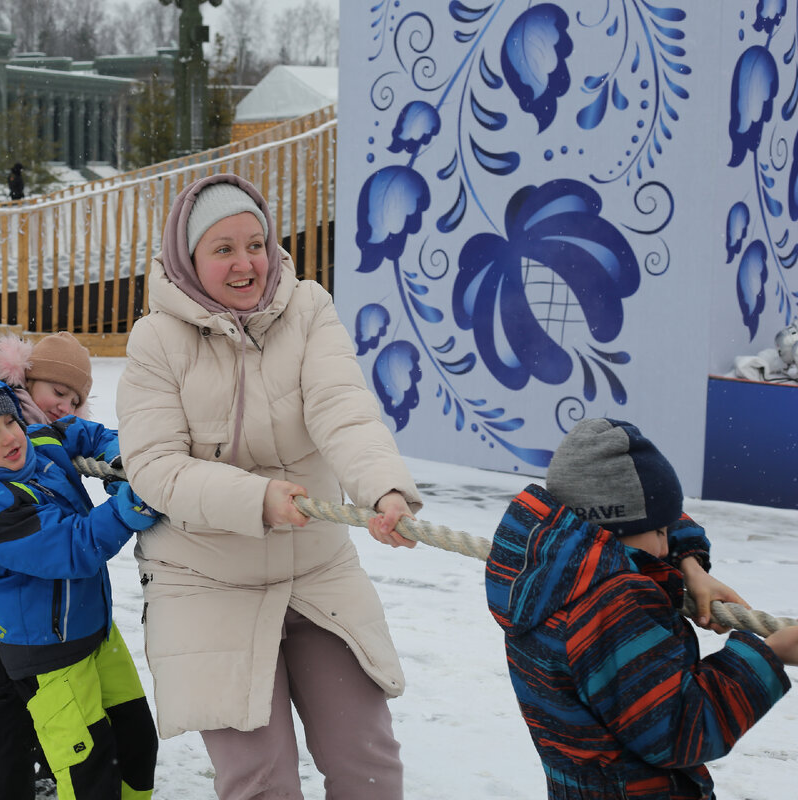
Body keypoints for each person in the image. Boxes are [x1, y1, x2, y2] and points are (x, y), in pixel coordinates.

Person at [116, 173, 421, 798]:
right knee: (260, 779)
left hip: (314, 569)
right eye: (222, 248)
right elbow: (155, 465)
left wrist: (383, 489)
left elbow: (343, 408)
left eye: (256, 244)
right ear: (188, 257)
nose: (245, 263)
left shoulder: (307, 308)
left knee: (367, 761)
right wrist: (255, 499)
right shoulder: (155, 340)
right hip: (205, 579)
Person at [486, 417, 798, 799]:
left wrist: (691, 566)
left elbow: (649, 518)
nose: (666, 548)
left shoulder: (549, 562)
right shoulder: (612, 601)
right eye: (660, 533)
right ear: (613, 527)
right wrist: (769, 655)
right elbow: (678, 729)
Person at [0, 356, 159, 800]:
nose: (10, 438)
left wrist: (118, 456)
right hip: (49, 658)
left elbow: (84, 433)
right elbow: (72, 547)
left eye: (10, 420)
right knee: (88, 774)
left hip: (95, 631)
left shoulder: (37, 440)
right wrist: (129, 509)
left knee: (137, 742)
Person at [0, 330, 93, 424]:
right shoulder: (1, 418)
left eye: (74, 403)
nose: (66, 409)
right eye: (59, 392)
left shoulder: (70, 436)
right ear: (30, 380)